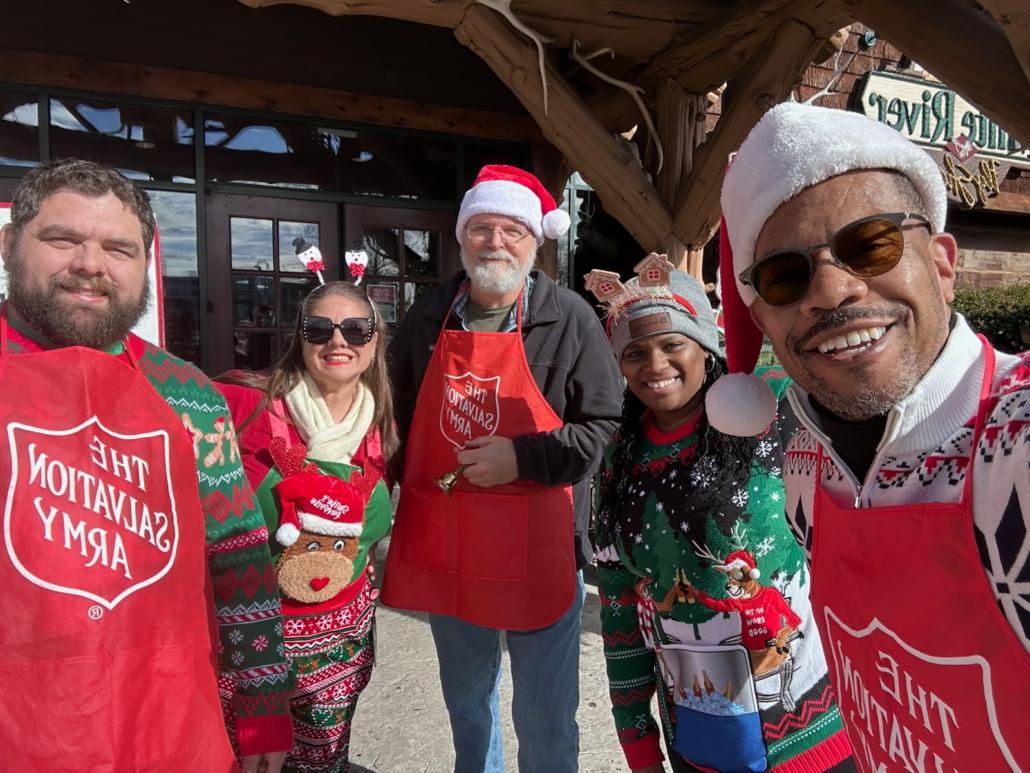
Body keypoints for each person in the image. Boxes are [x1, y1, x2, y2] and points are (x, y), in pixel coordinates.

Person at [712, 102, 1029, 770]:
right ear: (762, 315)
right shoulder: (804, 461)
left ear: (942, 262)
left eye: (869, 244)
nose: (830, 289)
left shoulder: (1014, 449)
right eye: (784, 275)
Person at [0, 159, 293, 771]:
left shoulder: (187, 394)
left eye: (118, 248)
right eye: (62, 239)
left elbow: (237, 553)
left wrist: (264, 704)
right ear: (9, 243)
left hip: (163, 723)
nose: (90, 264)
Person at [383, 164, 623, 772]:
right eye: (482, 228)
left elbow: (601, 428)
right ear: (462, 238)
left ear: (534, 242)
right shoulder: (429, 314)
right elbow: (395, 414)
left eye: (512, 230)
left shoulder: (569, 318)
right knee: (468, 706)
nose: (496, 242)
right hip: (449, 546)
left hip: (538, 550)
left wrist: (518, 457)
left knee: (544, 716)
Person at [588, 261, 852, 773]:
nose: (654, 364)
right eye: (634, 352)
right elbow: (620, 607)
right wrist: (637, 742)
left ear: (705, 344)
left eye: (672, 344)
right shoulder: (619, 458)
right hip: (703, 734)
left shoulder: (773, 407)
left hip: (817, 729)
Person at [216, 280, 395, 773]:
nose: (338, 341)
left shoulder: (379, 424)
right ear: (300, 338)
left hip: (340, 648)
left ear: (374, 341)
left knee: (322, 764)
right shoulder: (241, 403)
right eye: (320, 329)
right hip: (252, 652)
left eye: (356, 329)